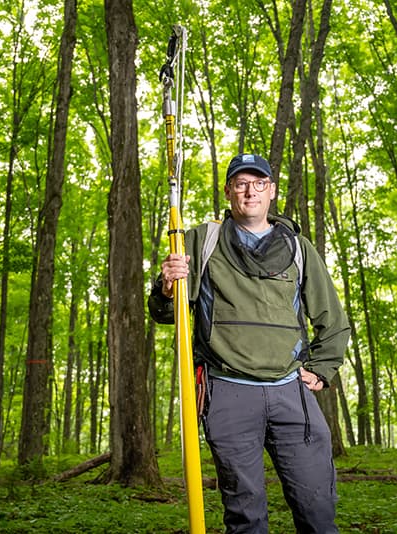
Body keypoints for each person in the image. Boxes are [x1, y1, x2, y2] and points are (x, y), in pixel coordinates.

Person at [148, 153, 350, 533]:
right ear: (228, 192)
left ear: (271, 191)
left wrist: (322, 370)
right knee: (245, 516)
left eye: (259, 183)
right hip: (228, 392)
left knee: (318, 509)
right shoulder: (200, 240)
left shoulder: (298, 247)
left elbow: (333, 321)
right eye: (241, 184)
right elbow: (166, 313)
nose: (250, 191)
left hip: (291, 393)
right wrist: (165, 286)